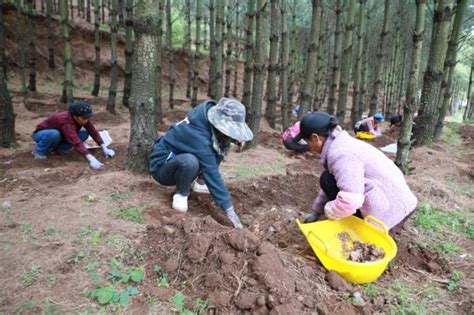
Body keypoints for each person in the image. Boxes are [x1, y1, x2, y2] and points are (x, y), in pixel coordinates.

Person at [297, 112, 417, 233]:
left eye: (307, 142)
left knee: (329, 183)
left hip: (393, 209)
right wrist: (317, 211)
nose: (309, 147)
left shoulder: (341, 154)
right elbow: (335, 181)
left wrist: (330, 212)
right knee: (328, 178)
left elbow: (351, 199)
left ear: (315, 138)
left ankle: (368, 229)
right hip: (393, 198)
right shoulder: (339, 142)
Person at [149, 98, 253, 228]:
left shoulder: (205, 114)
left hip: (180, 159)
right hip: (162, 167)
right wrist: (230, 211)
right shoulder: (199, 138)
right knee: (190, 162)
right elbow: (212, 174)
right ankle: (181, 194)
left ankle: (200, 182)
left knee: (221, 144)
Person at [32, 101, 115, 169]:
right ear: (75, 116)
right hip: (42, 134)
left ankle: (60, 149)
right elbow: (75, 140)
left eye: (87, 118)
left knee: (84, 135)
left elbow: (93, 131)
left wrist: (104, 147)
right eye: (84, 118)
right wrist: (91, 158)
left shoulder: (82, 119)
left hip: (62, 135)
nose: (86, 120)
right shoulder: (65, 121)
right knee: (54, 134)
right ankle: (39, 151)